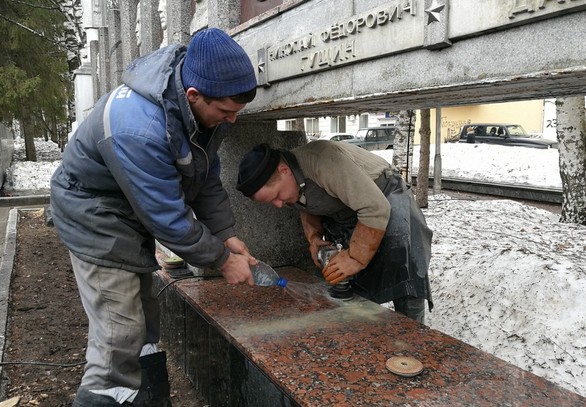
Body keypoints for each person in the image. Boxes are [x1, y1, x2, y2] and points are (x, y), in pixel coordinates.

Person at [50, 28, 258, 407]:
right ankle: (106, 395)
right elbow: (166, 218)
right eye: (226, 112)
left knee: (144, 319)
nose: (231, 121)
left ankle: (148, 399)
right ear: (194, 95)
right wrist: (223, 261)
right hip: (94, 215)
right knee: (119, 334)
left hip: (127, 213)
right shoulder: (139, 126)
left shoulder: (197, 110)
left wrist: (226, 234)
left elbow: (206, 177)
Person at [236, 140, 434, 322]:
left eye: (277, 196)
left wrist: (355, 257)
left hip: (387, 199)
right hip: (353, 213)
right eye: (271, 202)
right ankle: (366, 339)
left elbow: (375, 209)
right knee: (351, 288)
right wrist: (313, 237)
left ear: (284, 170)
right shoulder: (289, 181)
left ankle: (413, 344)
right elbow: (305, 204)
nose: (278, 205)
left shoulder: (323, 162)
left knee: (406, 283)